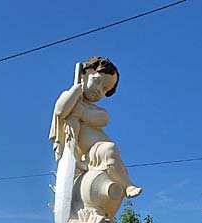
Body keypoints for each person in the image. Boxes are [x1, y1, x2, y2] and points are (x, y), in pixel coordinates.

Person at [50, 57, 142, 202]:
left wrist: (80, 112)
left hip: (99, 151)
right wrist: (76, 89)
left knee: (110, 151)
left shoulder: (97, 110)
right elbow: (60, 111)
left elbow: (103, 119)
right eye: (97, 81)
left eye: (105, 89)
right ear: (84, 74)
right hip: (84, 155)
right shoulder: (70, 98)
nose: (99, 90)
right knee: (109, 149)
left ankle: (127, 184)